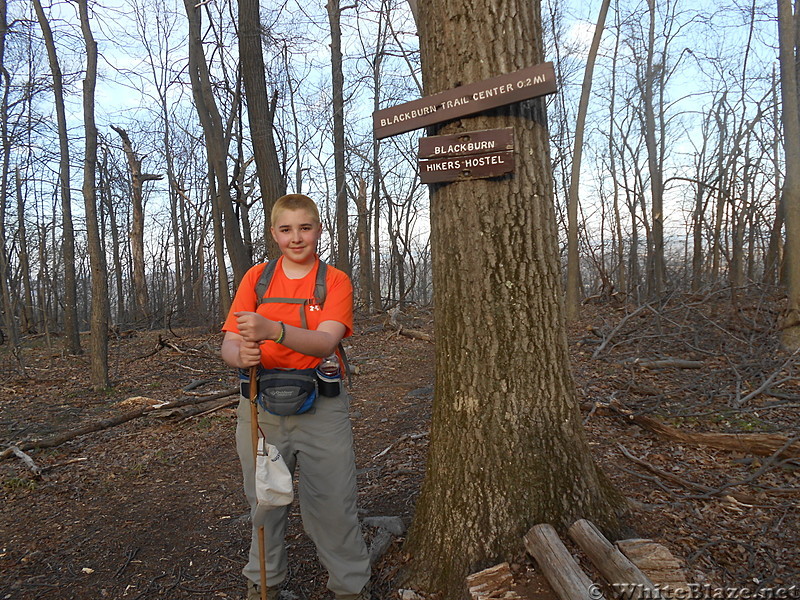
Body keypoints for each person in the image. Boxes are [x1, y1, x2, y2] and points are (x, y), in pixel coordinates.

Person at [221, 194, 371, 600]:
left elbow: (325, 342)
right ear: (274, 233)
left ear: (318, 229)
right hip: (259, 404)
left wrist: (274, 331)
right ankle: (262, 585)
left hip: (322, 405)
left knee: (333, 503)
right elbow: (230, 344)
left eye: (305, 227)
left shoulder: (334, 280)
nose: (296, 237)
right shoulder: (257, 279)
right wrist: (240, 353)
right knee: (265, 501)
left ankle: (350, 589)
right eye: (286, 229)